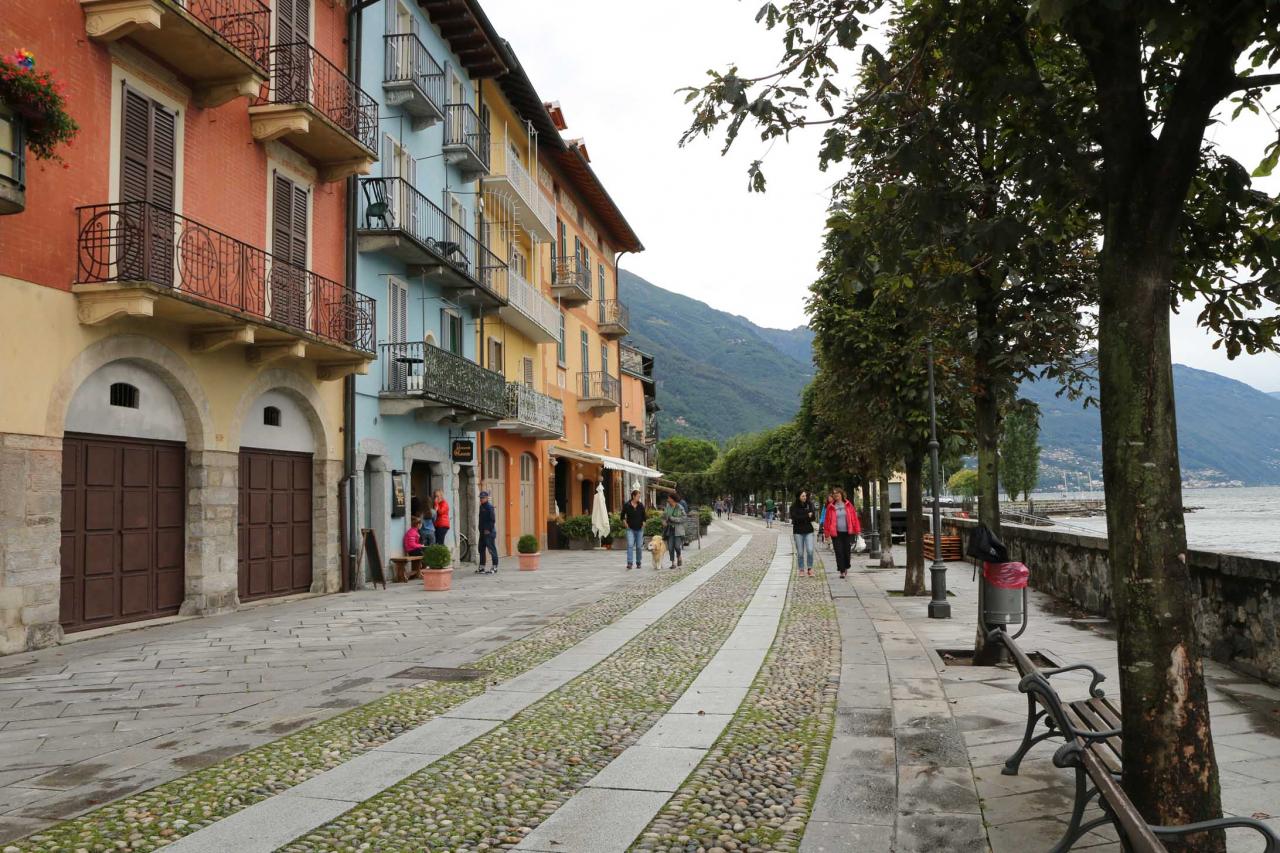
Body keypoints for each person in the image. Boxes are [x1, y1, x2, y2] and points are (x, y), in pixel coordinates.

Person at [822, 488, 861, 579]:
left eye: (838, 493)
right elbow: (827, 521)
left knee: (847, 552)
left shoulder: (848, 505)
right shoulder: (830, 507)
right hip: (836, 533)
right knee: (838, 552)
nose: (836, 495)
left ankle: (846, 566)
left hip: (847, 532)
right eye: (834, 494)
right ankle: (842, 570)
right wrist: (827, 534)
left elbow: (854, 518)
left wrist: (857, 530)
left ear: (842, 494)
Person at [790, 490, 817, 576]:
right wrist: (806, 515)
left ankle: (810, 568)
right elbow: (795, 518)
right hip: (798, 531)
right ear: (798, 497)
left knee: (810, 550)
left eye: (805, 496)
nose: (804, 497)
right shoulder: (793, 506)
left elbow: (813, 517)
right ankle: (801, 569)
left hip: (808, 530)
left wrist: (807, 516)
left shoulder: (809, 504)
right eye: (802, 496)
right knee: (800, 552)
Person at [622, 489, 647, 570]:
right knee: (630, 545)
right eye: (638, 496)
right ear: (633, 496)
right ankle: (629, 563)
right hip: (630, 529)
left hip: (639, 529)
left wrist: (644, 523)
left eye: (639, 496)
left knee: (639, 546)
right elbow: (622, 516)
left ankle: (638, 562)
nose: (639, 498)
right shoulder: (627, 505)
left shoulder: (641, 505)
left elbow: (644, 517)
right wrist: (625, 523)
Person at [662, 493, 686, 569]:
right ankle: (673, 563)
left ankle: (679, 556)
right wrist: (663, 522)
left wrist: (673, 519)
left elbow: (684, 518)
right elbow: (663, 517)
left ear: (672, 499)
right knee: (670, 547)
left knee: (677, 546)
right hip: (670, 530)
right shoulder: (667, 507)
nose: (668, 499)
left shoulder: (680, 507)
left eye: (669, 498)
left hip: (678, 530)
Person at [477, 490, 498, 574]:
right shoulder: (481, 506)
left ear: (486, 498)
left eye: (483, 498)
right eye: (480, 498)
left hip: (489, 532)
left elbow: (492, 520)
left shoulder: (489, 507)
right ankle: (482, 567)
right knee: (481, 549)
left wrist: (488, 530)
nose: (481, 499)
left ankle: (494, 567)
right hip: (482, 532)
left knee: (491, 549)